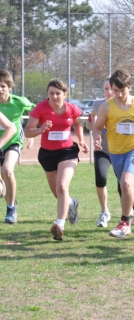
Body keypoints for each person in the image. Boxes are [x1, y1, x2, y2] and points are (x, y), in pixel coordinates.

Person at [93, 69, 134, 238]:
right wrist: (97, 139)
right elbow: (98, 126)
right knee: (126, 185)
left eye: (123, 91)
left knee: (126, 182)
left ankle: (124, 223)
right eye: (115, 91)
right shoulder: (106, 106)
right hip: (115, 152)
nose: (119, 94)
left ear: (129, 87)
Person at [25, 79, 88, 240]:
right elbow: (28, 132)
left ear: (65, 94)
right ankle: (71, 203)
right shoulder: (40, 108)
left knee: (61, 186)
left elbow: (78, 123)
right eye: (51, 93)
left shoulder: (71, 108)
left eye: (58, 93)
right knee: (58, 193)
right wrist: (41, 129)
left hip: (68, 152)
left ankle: (59, 224)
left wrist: (81, 140)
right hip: (47, 154)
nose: (54, 96)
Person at [0, 69, 35, 223]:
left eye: (2, 86)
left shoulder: (19, 101)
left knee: (7, 170)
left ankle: (11, 209)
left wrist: (31, 131)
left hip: (13, 141)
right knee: (1, 188)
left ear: (9, 87)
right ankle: (7, 193)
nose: (0, 90)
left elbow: (36, 110)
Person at [85, 77, 116, 227]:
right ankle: (104, 211)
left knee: (123, 184)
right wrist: (97, 130)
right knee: (101, 178)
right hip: (102, 149)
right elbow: (90, 123)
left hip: (121, 151)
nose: (109, 92)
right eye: (106, 89)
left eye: (112, 88)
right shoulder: (97, 104)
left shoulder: (126, 105)